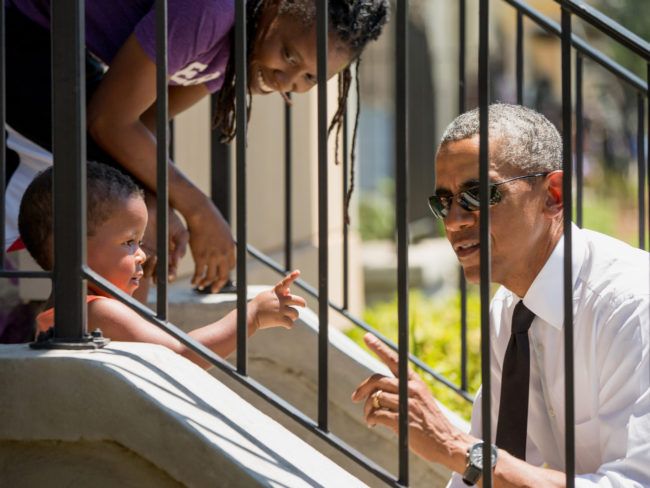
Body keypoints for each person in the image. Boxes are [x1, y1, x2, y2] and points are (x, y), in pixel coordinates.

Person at [352, 104, 650, 486]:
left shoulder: (631, 307)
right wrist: (462, 452)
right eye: (443, 201)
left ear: (553, 196)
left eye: (478, 195)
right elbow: (485, 463)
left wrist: (456, 447)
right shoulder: (511, 310)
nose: (454, 220)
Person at [5, 0, 390, 291]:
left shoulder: (242, 48)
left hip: (60, 52)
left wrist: (158, 201)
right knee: (124, 205)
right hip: (23, 32)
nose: (286, 79)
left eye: (309, 77)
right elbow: (109, 121)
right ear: (273, 5)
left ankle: (119, 343)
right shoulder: (212, 10)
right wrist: (197, 210)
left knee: (134, 208)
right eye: (289, 54)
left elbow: (144, 120)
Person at [18, 161, 307, 368]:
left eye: (140, 242)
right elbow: (181, 355)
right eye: (129, 242)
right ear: (71, 249)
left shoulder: (68, 310)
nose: (142, 254)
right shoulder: (98, 310)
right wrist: (251, 316)